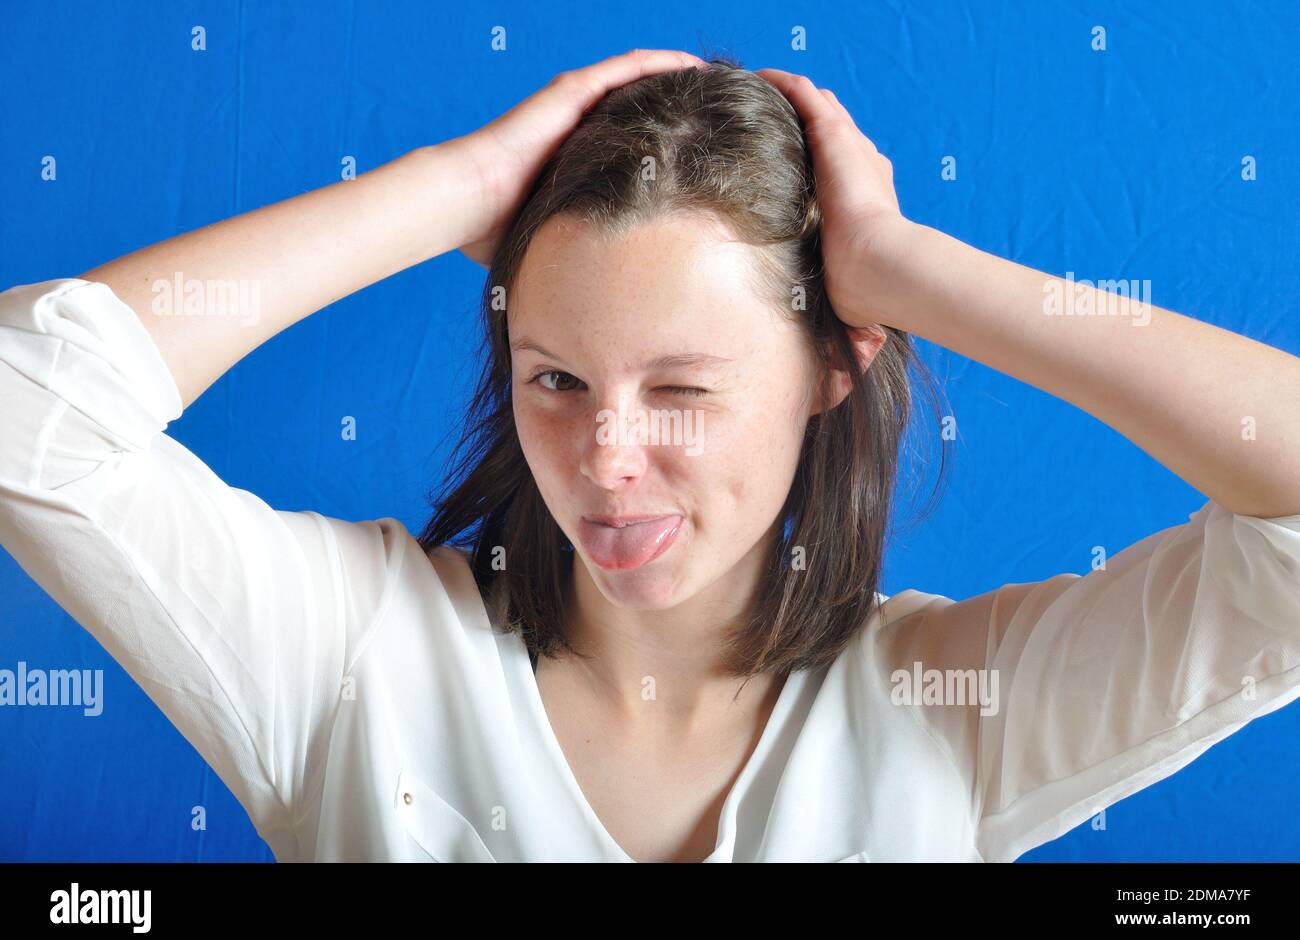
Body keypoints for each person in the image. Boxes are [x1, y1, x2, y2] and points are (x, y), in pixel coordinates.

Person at [1, 49, 1298, 863]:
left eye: (681, 388)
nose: (606, 459)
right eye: (556, 380)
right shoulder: (356, 656)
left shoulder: (956, 708)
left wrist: (906, 269)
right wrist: (455, 187)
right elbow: (26, 415)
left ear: (834, 368)